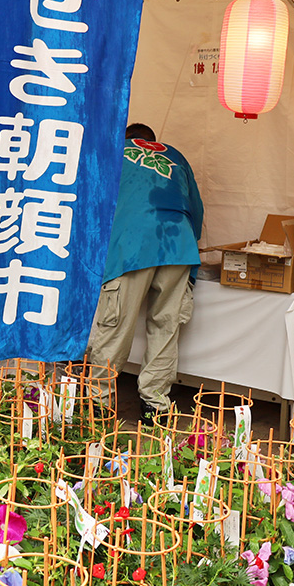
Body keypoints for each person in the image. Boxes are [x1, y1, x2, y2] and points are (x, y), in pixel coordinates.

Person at [85, 123, 204, 424]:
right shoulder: (176, 157)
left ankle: (99, 405)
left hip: (131, 246)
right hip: (179, 245)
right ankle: (156, 407)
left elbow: (93, 204)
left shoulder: (113, 152)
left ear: (125, 139)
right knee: (166, 327)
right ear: (151, 141)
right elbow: (197, 211)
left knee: (115, 326)